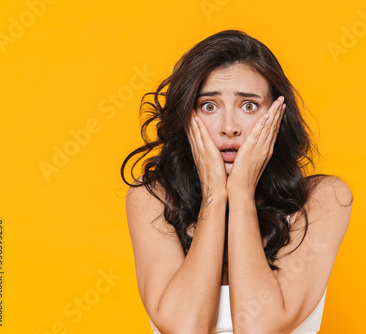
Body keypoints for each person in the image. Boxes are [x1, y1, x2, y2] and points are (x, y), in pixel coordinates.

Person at [121, 29, 353, 333]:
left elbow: (259, 327)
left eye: (248, 106)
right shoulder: (152, 198)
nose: (229, 127)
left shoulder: (324, 199)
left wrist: (241, 190)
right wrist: (215, 194)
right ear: (186, 116)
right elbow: (183, 328)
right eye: (209, 106)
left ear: (276, 115)